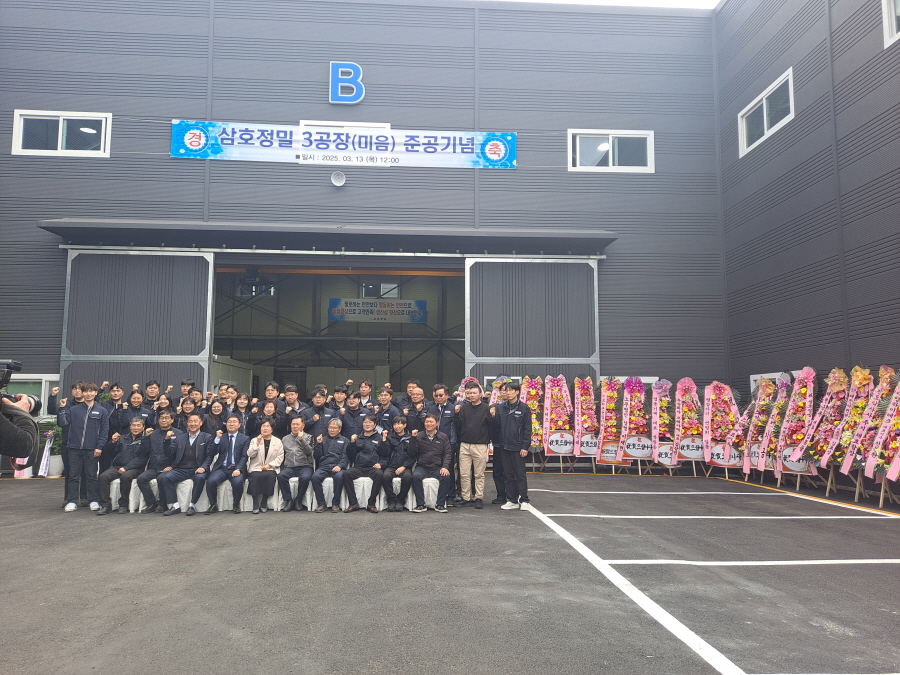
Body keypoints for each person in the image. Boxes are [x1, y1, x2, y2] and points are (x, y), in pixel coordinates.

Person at [58, 382, 109, 512]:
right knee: (73, 476)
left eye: (91, 391)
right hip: (74, 448)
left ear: (96, 393)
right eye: (86, 391)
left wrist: (99, 447)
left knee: (91, 476)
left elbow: (104, 431)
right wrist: (62, 409)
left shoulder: (102, 411)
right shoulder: (74, 410)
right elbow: (62, 423)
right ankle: (72, 501)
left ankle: (93, 500)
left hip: (92, 449)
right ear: (82, 393)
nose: (88, 394)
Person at [157, 413, 215, 516]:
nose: (192, 424)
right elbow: (169, 453)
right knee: (165, 478)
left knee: (200, 478)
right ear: (187, 423)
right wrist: (167, 440)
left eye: (195, 421)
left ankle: (192, 505)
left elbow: (209, 456)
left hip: (198, 468)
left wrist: (203, 467)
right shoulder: (180, 437)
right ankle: (175, 506)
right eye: (190, 421)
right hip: (181, 469)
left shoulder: (207, 437)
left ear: (201, 423)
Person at [493, 382, 533, 510]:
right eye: (506, 390)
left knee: (520, 474)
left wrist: (525, 446)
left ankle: (524, 499)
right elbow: (496, 427)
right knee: (508, 474)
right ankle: (512, 500)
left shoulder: (524, 408)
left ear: (517, 392)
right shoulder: (500, 408)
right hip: (504, 446)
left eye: (511, 390)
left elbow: (527, 429)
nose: (508, 393)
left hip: (518, 446)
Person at [96, 417, 149, 515]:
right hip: (118, 466)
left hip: (135, 468)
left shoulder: (145, 440)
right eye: (133, 425)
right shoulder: (122, 438)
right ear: (130, 427)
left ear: (143, 427)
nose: (135, 428)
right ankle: (105, 505)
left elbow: (142, 458)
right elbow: (108, 452)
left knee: (126, 476)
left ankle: (123, 504)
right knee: (103, 476)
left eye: (138, 425)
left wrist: (126, 468)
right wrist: (112, 442)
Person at [135, 410, 183, 513]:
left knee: (162, 478)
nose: (164, 420)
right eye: (161, 418)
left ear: (172, 420)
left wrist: (172, 466)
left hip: (169, 467)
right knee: (141, 479)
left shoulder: (179, 433)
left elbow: (180, 453)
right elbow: (144, 451)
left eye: (167, 418)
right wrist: (146, 437)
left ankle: (162, 504)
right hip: (154, 467)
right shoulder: (153, 433)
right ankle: (152, 503)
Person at [455, 381, 493, 509]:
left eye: (474, 393)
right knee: (464, 474)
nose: (471, 395)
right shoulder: (464, 408)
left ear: (480, 394)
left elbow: (491, 427)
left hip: (480, 445)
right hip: (465, 445)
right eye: (469, 393)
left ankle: (478, 497)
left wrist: (487, 442)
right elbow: (459, 425)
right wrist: (456, 414)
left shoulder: (486, 408)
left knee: (479, 474)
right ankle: (466, 497)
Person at [408, 414, 453, 513]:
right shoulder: (419, 436)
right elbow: (411, 453)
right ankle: (420, 504)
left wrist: (445, 467)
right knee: (415, 476)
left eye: (431, 422)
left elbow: (448, 453)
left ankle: (440, 504)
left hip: (437, 467)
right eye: (427, 422)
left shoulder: (443, 437)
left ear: (437, 423)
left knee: (446, 477)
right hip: (422, 467)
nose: (429, 424)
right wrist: (413, 438)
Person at [205, 414, 250, 514]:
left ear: (239, 425)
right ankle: (213, 504)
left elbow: (244, 456)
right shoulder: (221, 437)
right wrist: (217, 439)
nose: (231, 424)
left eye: (234, 422)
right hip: (222, 468)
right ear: (226, 424)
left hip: (236, 467)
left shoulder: (245, 438)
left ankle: (236, 504)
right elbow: (211, 453)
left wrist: (238, 469)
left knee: (237, 482)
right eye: (229, 422)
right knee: (211, 481)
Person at [427, 383, 461, 505]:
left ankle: (451, 495)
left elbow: (458, 425)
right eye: (436, 395)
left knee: (448, 469)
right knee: (436, 468)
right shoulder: (432, 409)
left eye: (441, 395)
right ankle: (438, 494)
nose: (438, 398)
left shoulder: (453, 408)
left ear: (447, 395)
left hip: (449, 443)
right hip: (434, 443)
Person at [343, 415, 384, 513]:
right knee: (346, 474)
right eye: (365, 422)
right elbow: (351, 455)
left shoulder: (379, 437)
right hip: (359, 467)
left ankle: (371, 504)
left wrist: (381, 464)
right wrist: (352, 443)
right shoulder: (358, 437)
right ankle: (353, 503)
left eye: (370, 422)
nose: (367, 424)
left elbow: (385, 454)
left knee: (379, 474)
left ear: (375, 425)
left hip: (372, 468)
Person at [311, 418, 350, 513]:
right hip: (324, 466)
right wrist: (318, 444)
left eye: (335, 428)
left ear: (339, 429)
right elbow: (316, 456)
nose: (332, 430)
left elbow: (345, 456)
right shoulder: (323, 439)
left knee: (339, 477)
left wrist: (340, 466)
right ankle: (321, 503)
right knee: (315, 477)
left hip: (337, 466)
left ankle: (335, 503)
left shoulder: (345, 440)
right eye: (330, 427)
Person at [277, 416, 315, 512]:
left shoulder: (309, 437)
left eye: (297, 424)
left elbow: (309, 452)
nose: (295, 426)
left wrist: (301, 440)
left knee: (305, 478)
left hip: (305, 466)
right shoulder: (285, 439)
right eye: (293, 424)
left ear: (303, 425)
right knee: (281, 476)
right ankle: (288, 500)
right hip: (290, 467)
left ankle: (299, 500)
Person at [247, 419, 284, 514]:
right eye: (263, 426)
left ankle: (264, 501)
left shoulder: (278, 441)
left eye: (268, 426)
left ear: (272, 429)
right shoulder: (254, 440)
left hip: (271, 467)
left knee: (270, 476)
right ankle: (255, 502)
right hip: (256, 467)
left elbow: (280, 457)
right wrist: (257, 443)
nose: (265, 428)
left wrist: (269, 465)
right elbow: (250, 454)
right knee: (255, 476)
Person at [378, 415, 414, 512]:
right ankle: (391, 500)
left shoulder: (410, 437)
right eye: (394, 424)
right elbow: (385, 453)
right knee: (385, 477)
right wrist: (384, 439)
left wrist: (404, 466)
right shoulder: (389, 437)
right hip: (391, 465)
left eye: (399, 424)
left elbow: (413, 455)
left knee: (407, 478)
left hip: (405, 466)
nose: (396, 427)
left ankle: (400, 501)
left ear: (405, 425)